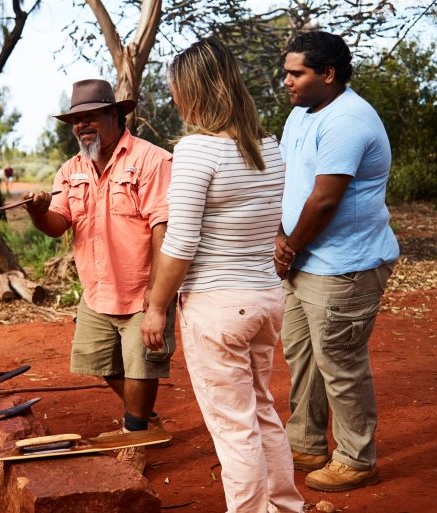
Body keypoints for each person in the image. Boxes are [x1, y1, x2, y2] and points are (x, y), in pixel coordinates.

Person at [140, 39, 304, 513]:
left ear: (197, 91)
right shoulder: (267, 147)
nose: (173, 100)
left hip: (217, 305)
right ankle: (285, 506)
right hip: (265, 299)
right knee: (262, 411)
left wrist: (155, 307)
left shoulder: (196, 151)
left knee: (234, 426)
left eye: (177, 90)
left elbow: (180, 243)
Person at [22, 79, 175, 473]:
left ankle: (134, 434)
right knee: (100, 362)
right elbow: (58, 225)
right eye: (76, 119)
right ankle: (145, 419)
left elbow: (163, 227)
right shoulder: (70, 170)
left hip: (143, 286)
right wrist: (37, 211)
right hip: (96, 289)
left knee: (140, 364)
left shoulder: (151, 160)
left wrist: (157, 296)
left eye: (90, 116)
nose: (82, 125)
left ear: (115, 115)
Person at [275, 32, 399, 492]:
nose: (285, 81)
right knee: (303, 356)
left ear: (327, 74)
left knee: (341, 363)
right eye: (286, 71)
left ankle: (358, 459)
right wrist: (280, 237)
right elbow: (289, 183)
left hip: (342, 266)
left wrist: (287, 248)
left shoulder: (348, 120)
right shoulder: (300, 114)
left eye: (296, 73)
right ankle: (306, 442)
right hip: (305, 260)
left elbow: (325, 200)